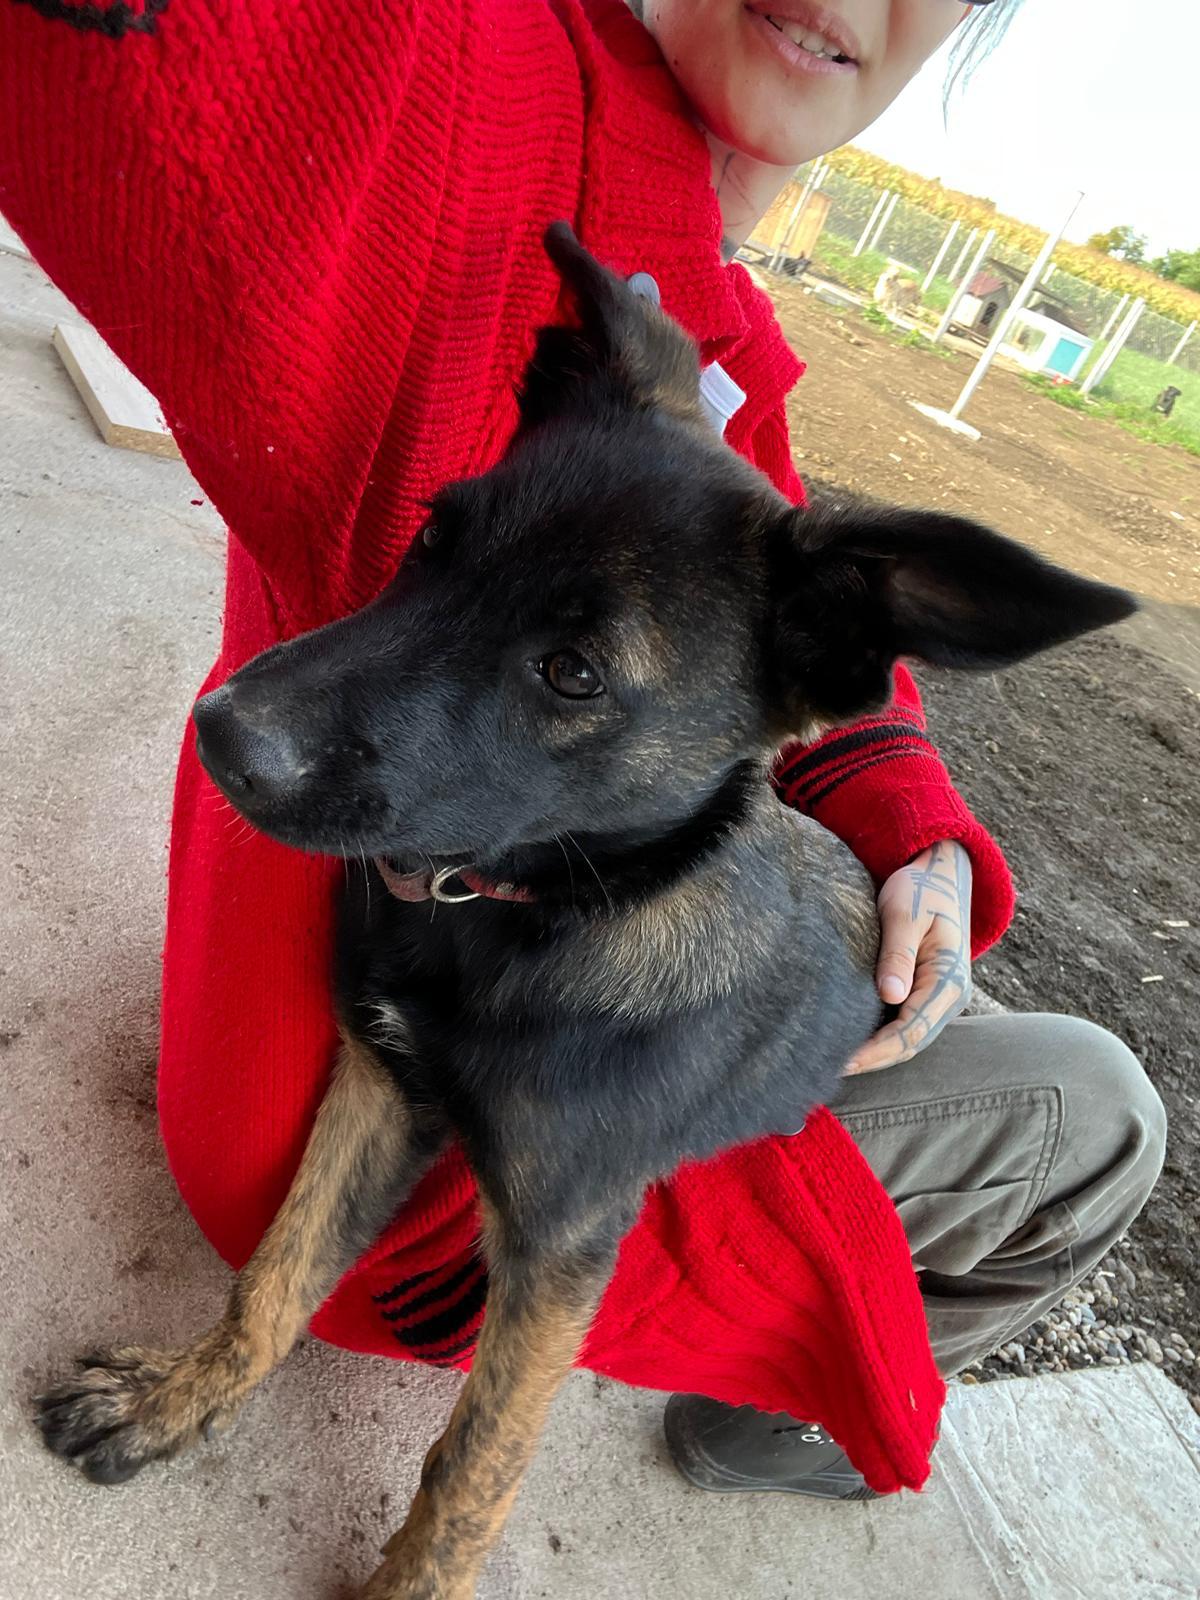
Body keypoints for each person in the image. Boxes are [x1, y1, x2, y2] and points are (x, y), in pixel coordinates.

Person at [0, 0, 1164, 1508]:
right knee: (1105, 1109)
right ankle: (787, 1419)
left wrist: (912, 822)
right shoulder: (491, 116)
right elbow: (206, 66)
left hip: (513, 981)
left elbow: (769, 575)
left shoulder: (684, 352)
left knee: (922, 961)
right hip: (454, 1181)